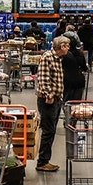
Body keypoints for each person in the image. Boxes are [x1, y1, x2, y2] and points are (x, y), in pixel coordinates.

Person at [35, 35, 70, 173]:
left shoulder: (58, 59)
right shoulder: (47, 57)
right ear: (62, 46)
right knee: (48, 131)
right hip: (48, 100)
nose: (68, 48)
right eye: (67, 46)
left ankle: (45, 160)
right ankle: (42, 162)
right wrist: (49, 95)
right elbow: (43, 79)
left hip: (56, 99)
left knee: (51, 130)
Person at [62, 38, 88, 103]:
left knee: (66, 102)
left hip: (67, 81)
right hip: (79, 81)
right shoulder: (80, 54)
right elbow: (84, 67)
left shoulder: (64, 55)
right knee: (76, 103)